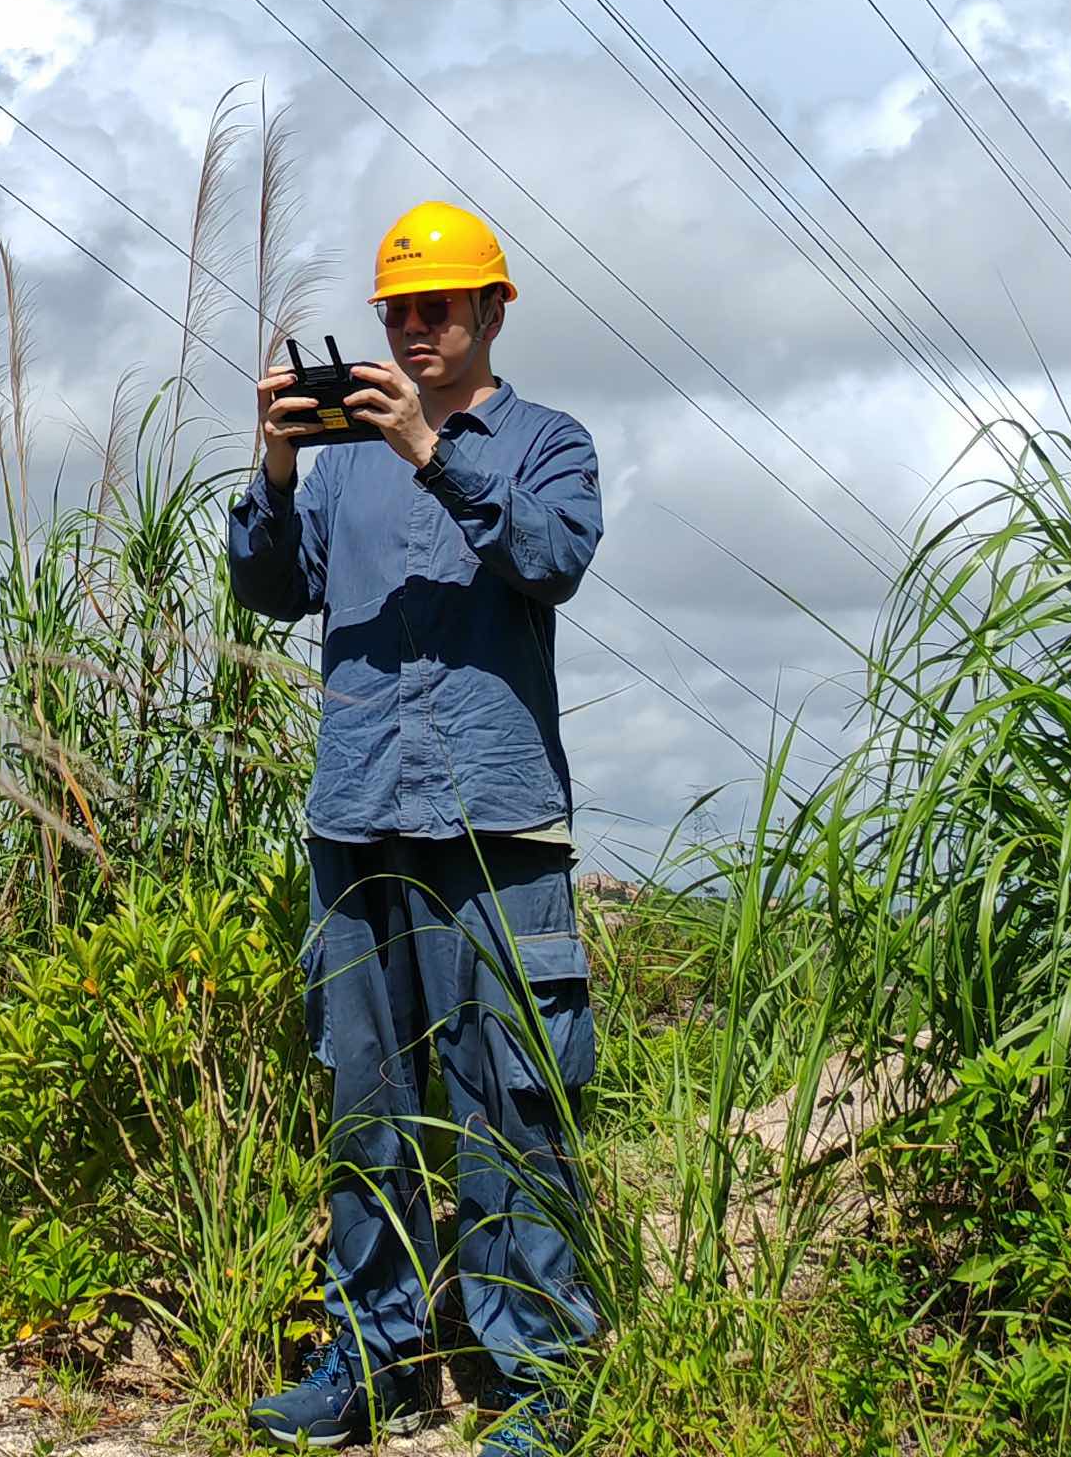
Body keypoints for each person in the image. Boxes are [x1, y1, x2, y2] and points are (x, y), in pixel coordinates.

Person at [227, 201, 604, 1452]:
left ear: (495, 309)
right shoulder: (338, 472)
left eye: (439, 307)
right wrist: (276, 474)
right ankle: (371, 1361)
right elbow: (270, 592)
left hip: (497, 833)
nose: (415, 329)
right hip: (357, 829)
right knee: (368, 1107)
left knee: (510, 1103)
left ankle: (540, 1377)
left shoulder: (550, 443)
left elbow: (549, 559)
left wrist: (434, 453)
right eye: (398, 311)